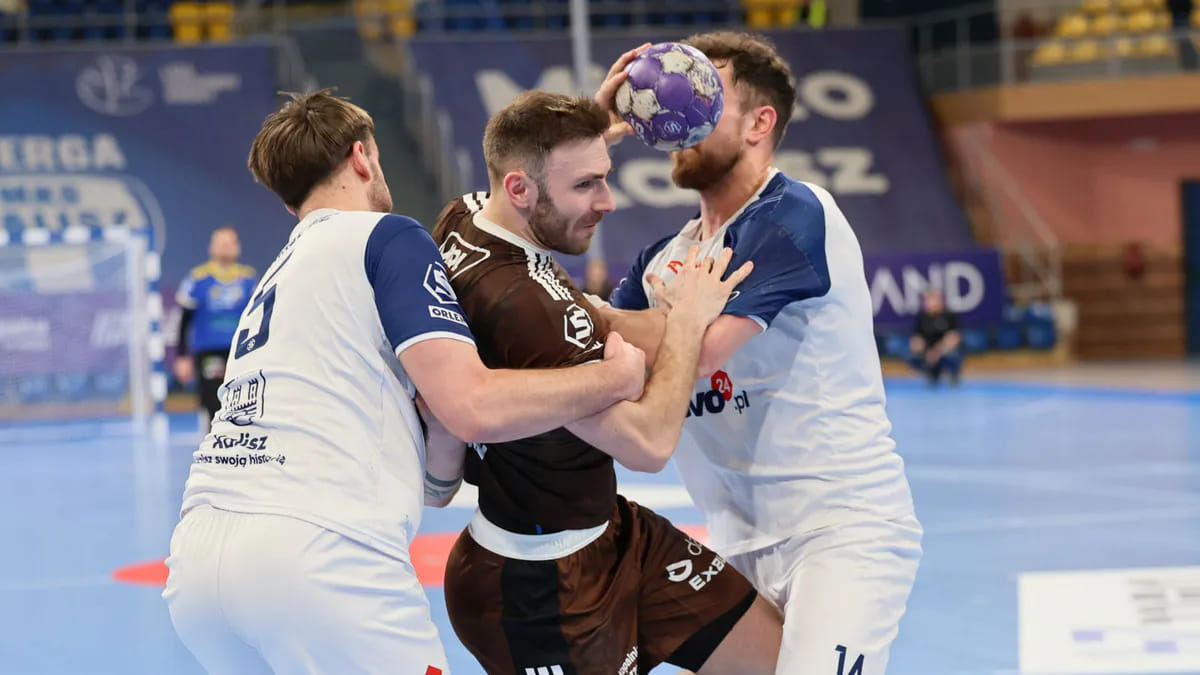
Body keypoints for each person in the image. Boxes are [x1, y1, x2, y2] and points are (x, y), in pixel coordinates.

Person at [161, 90, 650, 675]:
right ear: (361, 156)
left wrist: (579, 134)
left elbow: (436, 478)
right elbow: (471, 405)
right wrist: (611, 377)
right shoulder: (386, 238)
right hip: (317, 554)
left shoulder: (282, 274)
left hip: (197, 565)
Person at [598, 32, 923, 674]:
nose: (677, 109)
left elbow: (701, 351)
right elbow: (593, 351)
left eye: (703, 94)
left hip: (840, 532)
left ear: (759, 123)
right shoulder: (659, 261)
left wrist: (602, 317)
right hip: (736, 544)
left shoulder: (793, 213)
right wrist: (595, 133)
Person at [428, 90, 783, 675]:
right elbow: (648, 443)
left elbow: (520, 155)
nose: (608, 201)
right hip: (542, 594)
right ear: (520, 190)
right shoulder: (529, 311)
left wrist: (585, 127)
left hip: (616, 536)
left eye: (603, 177)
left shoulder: (464, 219)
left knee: (781, 661)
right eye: (586, 185)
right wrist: (688, 320)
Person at [173, 226, 257, 427]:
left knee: (243, 401)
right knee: (212, 400)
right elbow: (184, 319)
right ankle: (212, 438)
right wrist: (182, 356)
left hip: (241, 352)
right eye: (221, 243)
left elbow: (257, 318)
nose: (225, 247)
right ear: (211, 247)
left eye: (230, 243)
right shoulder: (198, 278)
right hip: (209, 353)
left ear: (238, 247)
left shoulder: (248, 279)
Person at [909, 288, 962, 386]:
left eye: (934, 300)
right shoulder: (922, 318)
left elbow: (954, 338)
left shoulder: (949, 316)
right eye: (928, 301)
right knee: (910, 355)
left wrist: (937, 352)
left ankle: (952, 373)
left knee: (954, 354)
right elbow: (916, 339)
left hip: (944, 351)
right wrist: (924, 351)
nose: (931, 303)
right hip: (928, 352)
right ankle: (931, 373)